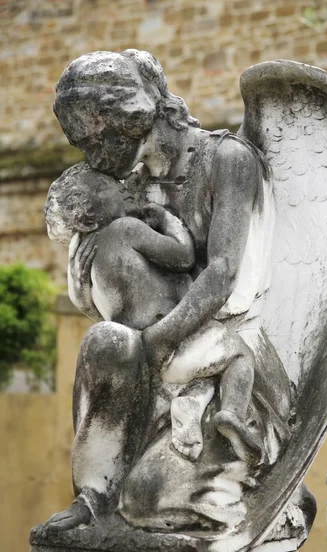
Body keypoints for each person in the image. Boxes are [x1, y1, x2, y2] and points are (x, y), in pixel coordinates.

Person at [44, 49, 290, 532]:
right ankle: (92, 495)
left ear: (128, 120)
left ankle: (274, 498)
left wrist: (154, 342)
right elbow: (106, 291)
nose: (89, 158)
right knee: (104, 341)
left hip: (224, 359)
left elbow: (219, 274)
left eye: (94, 141)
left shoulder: (227, 160)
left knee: (146, 501)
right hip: (153, 359)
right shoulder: (126, 186)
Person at [45, 161, 262, 464]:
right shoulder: (126, 229)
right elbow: (183, 257)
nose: (122, 187)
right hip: (172, 336)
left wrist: (75, 275)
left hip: (138, 353)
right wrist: (166, 218)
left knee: (197, 376)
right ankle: (231, 413)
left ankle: (191, 406)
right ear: (93, 209)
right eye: (108, 186)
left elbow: (86, 305)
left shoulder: (84, 260)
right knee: (239, 354)